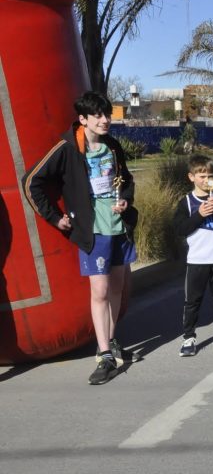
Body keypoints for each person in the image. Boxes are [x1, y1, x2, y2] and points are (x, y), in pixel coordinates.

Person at [22, 91, 137, 385]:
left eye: (107, 114)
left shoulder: (112, 146)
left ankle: (111, 341)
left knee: (116, 288)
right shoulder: (67, 149)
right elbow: (32, 182)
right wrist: (55, 217)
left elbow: (126, 179)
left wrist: (125, 199)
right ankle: (104, 355)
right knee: (100, 292)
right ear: (83, 119)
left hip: (119, 228)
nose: (105, 120)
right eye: (98, 115)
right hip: (93, 232)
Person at [172, 154, 213, 356]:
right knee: (193, 301)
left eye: (210, 176)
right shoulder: (186, 202)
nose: (206, 180)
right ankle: (189, 338)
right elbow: (180, 229)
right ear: (191, 177)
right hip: (198, 260)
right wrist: (199, 214)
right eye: (201, 176)